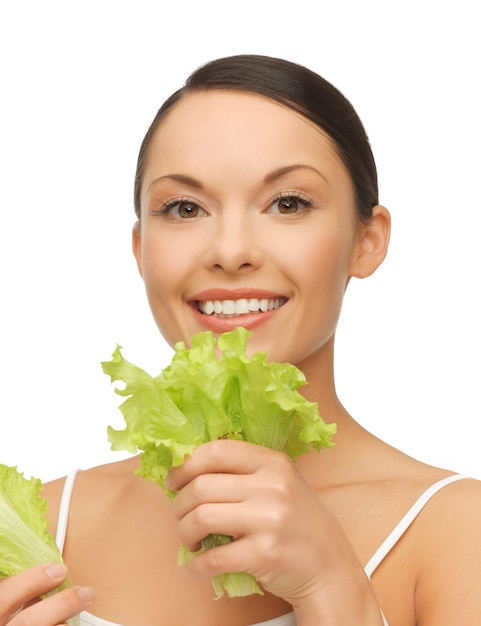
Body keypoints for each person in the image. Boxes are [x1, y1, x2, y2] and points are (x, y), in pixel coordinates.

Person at [1, 54, 480, 626]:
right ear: (140, 249)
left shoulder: (456, 533)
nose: (231, 251)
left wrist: (331, 585)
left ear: (367, 240)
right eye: (185, 208)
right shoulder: (34, 525)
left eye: (288, 204)